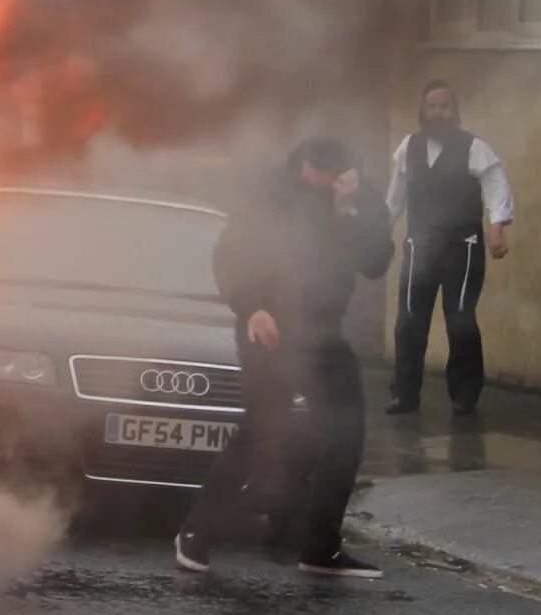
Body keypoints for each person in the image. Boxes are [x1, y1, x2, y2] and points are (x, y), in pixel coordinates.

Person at [174, 137, 394, 579]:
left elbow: (375, 262)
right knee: (263, 429)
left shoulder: (355, 197)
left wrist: (349, 208)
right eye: (320, 170)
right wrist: (252, 307)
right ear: (303, 165)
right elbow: (231, 254)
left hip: (324, 334)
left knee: (344, 434)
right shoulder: (270, 195)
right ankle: (195, 532)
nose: (326, 178)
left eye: (337, 172)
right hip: (268, 325)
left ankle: (321, 548)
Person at [385, 80, 514, 416]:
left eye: (445, 106)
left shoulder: (474, 147)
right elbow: (395, 197)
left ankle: (465, 395)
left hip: (464, 247)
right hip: (419, 244)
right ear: (423, 110)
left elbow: (496, 186)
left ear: (455, 112)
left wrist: (497, 227)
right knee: (409, 320)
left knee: (460, 319)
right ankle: (404, 394)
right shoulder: (408, 147)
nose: (438, 112)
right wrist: (380, 229)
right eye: (432, 106)